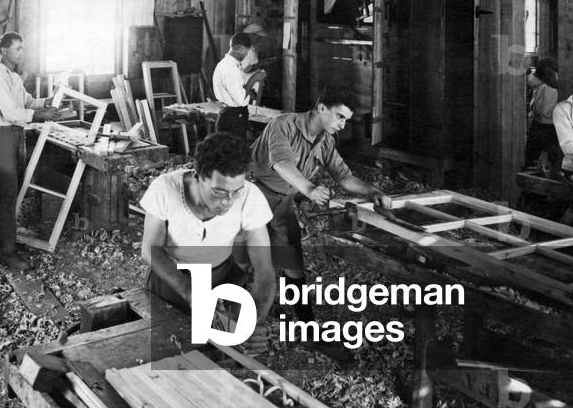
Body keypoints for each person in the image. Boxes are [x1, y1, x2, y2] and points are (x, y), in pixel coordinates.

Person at [249, 86, 391, 322]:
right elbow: (281, 164)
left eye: (346, 120)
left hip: (282, 202)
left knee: (292, 261)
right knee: (244, 259)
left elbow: (343, 176)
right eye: (340, 116)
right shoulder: (283, 125)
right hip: (251, 195)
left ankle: (306, 325)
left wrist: (373, 192)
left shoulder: (325, 141)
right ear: (322, 108)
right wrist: (310, 189)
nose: (343, 125)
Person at [140, 132, 275, 353]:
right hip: (171, 276)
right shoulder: (164, 188)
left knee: (218, 349)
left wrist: (254, 322)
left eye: (236, 192)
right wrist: (190, 292)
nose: (228, 202)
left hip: (221, 275)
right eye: (219, 192)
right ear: (198, 175)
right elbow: (151, 250)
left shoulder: (251, 196)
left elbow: (264, 270)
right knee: (169, 345)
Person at [0, 32, 63, 270]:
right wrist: (39, 116)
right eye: (17, 49)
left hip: (16, 136)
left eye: (22, 49)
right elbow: (10, 112)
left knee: (6, 193)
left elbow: (26, 102)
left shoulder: (14, 78)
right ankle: (7, 253)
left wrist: (46, 102)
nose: (21, 53)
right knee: (6, 194)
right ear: (3, 50)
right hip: (2, 137)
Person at [212, 33, 267, 139]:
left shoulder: (223, 64)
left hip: (226, 115)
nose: (246, 55)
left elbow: (238, 89)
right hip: (233, 120)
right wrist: (253, 79)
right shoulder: (231, 69)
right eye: (246, 52)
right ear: (241, 49)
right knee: (236, 154)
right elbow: (242, 100)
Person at [524, 59, 560, 171]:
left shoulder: (548, 87)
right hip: (546, 126)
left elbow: (540, 110)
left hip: (546, 126)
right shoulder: (545, 85)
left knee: (534, 157)